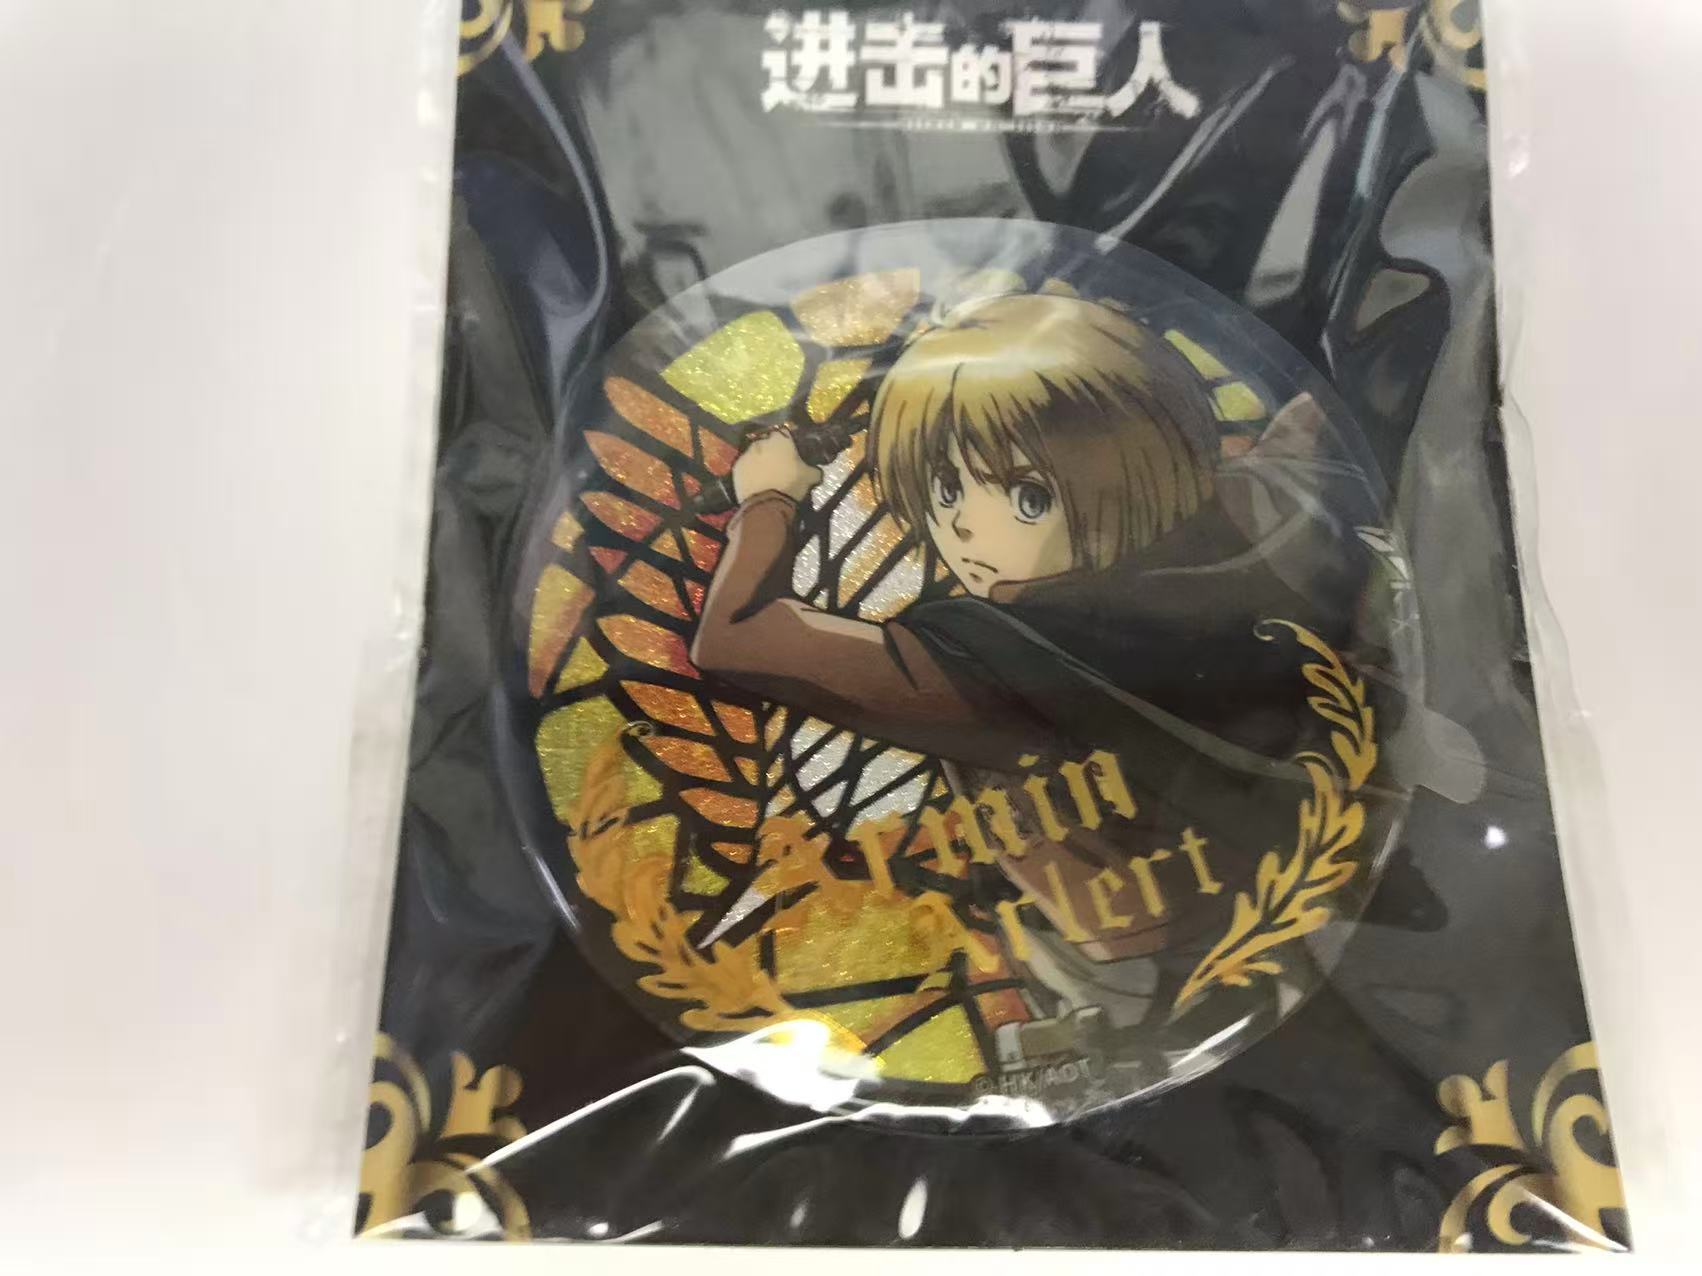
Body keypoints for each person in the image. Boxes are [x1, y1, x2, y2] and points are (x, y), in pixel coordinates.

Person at [690, 291, 1385, 1071]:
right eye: (945, 489)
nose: (963, 527)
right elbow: (1306, 438)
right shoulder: (1254, 521)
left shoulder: (997, 659)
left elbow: (735, 638)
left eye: (1027, 497)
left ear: (1131, 475)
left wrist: (770, 498)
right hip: (1329, 893)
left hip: (1142, 978)